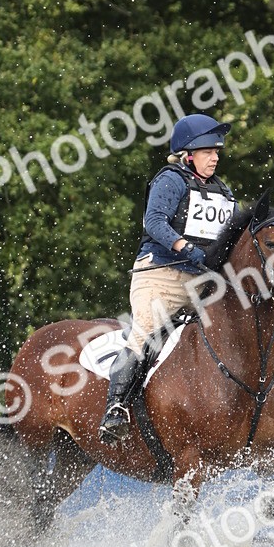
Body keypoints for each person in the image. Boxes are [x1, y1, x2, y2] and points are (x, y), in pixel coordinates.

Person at [98, 112, 236, 443]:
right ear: (188, 154)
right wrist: (187, 248)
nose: (215, 157)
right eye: (207, 152)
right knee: (144, 334)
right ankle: (115, 410)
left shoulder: (223, 192)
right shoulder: (171, 180)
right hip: (161, 275)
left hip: (202, 280)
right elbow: (155, 223)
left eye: (216, 152)